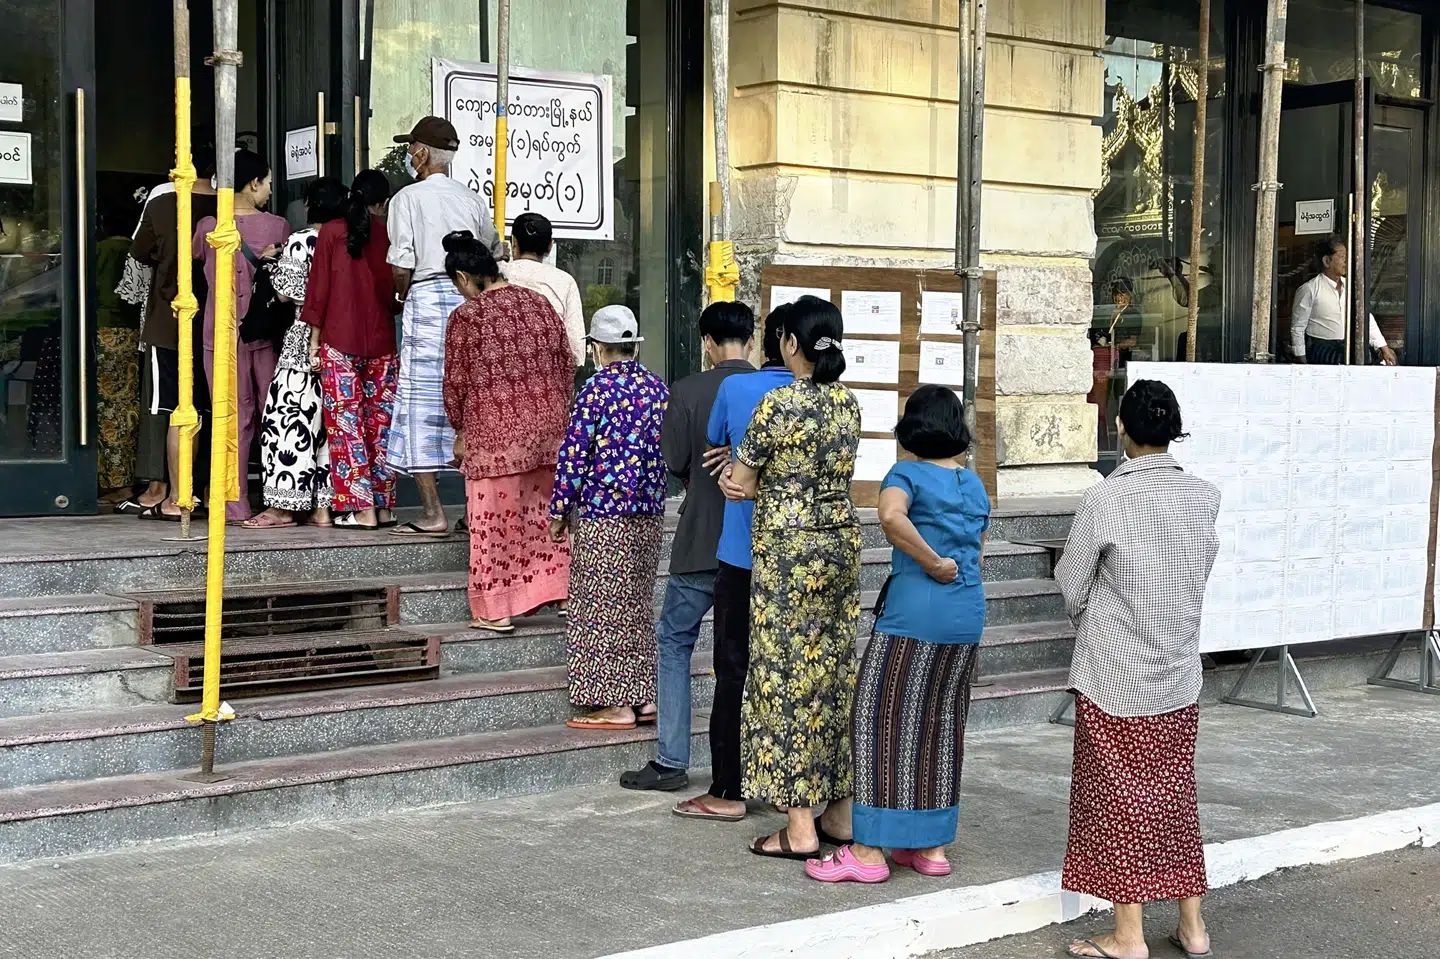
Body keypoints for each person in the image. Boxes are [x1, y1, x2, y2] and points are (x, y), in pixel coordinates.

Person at [1053, 379, 1221, 959]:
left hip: (1114, 670)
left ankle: (1128, 937)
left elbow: (1072, 583)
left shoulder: (1106, 497)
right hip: (1178, 667)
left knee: (1122, 796)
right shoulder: (1205, 496)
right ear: (1174, 430)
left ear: (1120, 428)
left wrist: (1094, 614)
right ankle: (1193, 928)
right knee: (1173, 794)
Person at [806, 385, 990, 884]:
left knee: (877, 720)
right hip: (967, 613)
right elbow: (977, 543)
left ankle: (867, 852)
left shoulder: (905, 473)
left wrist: (931, 563)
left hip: (916, 612)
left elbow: (889, 516)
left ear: (915, 426)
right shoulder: (972, 483)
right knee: (939, 725)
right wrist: (952, 565)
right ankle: (929, 847)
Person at [717, 296, 861, 859]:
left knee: (785, 680)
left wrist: (743, 479)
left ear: (791, 344)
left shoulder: (778, 405)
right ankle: (841, 814)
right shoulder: (848, 405)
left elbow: (742, 481)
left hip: (787, 554)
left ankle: (799, 827)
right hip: (839, 548)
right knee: (833, 673)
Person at [619, 301, 756, 792]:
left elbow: (675, 460)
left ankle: (672, 759)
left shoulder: (688, 389)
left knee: (675, 641)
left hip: (702, 540)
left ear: (706, 343)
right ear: (753, 340)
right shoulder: (776, 390)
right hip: (761, 544)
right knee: (748, 653)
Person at [671, 305, 794, 822]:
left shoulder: (725, 392)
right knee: (789, 672)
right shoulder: (833, 404)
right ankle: (789, 786)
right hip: (799, 559)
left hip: (729, 549)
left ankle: (697, 770)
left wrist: (736, 461)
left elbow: (701, 461)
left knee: (714, 660)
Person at [442, 231, 574, 631]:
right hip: (548, 433)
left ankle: (496, 610)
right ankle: (561, 593)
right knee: (543, 516)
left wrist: (459, 429)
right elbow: (566, 363)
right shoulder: (538, 303)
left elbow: (456, 383)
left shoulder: (466, 317)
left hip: (492, 437)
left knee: (492, 524)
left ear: (465, 277)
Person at [548, 305, 669, 730]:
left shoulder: (596, 390)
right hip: (650, 513)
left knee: (599, 607)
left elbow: (575, 453)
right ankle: (644, 696)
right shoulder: (658, 388)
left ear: (598, 348)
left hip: (605, 514)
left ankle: (616, 704)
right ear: (631, 346)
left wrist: (560, 509)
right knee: (635, 602)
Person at [386, 117, 502, 537]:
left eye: (410, 148)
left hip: (428, 293)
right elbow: (490, 248)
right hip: (471, 294)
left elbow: (402, 263)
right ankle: (474, 511)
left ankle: (433, 512)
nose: (408, 155)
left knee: (420, 399)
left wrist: (400, 296)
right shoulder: (472, 199)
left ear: (420, 152)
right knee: (472, 397)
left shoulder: (407, 198)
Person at [193, 148, 292, 522]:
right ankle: (280, 497)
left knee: (231, 417)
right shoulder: (278, 227)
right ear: (252, 184)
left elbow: (193, 262)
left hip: (219, 334)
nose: (268, 190)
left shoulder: (207, 227)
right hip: (263, 333)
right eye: (266, 183)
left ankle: (234, 502)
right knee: (276, 414)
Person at [243, 177, 348, 529]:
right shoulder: (350, 241)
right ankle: (323, 507)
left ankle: (283, 507)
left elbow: (287, 293)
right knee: (328, 427)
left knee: (287, 421)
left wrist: (271, 263)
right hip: (340, 340)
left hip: (303, 339)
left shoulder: (303, 241)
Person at [125, 146, 219, 520]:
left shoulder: (164, 204)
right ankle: (215, 492)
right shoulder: (234, 207)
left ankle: (178, 497)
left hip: (170, 320)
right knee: (217, 409)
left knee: (176, 410)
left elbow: (141, 252)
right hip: (220, 320)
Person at [305, 169, 402, 530]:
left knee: (347, 426)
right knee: (382, 426)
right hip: (382, 342)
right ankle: (385, 506)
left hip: (339, 340)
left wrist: (314, 341)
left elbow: (319, 292)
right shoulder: (389, 235)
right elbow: (394, 297)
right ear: (384, 203)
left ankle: (361, 509)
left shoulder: (330, 232)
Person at [95, 204, 143, 499]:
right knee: (127, 407)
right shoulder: (137, 251)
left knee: (107, 409)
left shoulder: (99, 251)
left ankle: (115, 484)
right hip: (134, 333)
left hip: (104, 331)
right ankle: (126, 478)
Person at [1289, 234, 1396, 366]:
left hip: (1349, 349)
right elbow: (1297, 328)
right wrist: (1302, 360)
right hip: (1322, 352)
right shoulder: (1309, 289)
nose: (1347, 261)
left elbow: (1366, 318)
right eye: (1342, 257)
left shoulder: (1353, 288)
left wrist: (1383, 347)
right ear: (1327, 261)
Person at [502, 212, 586, 367]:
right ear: (549, 246)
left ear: (513, 242)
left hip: (501, 376)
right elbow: (576, 351)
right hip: (548, 379)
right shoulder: (564, 282)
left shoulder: (497, 274)